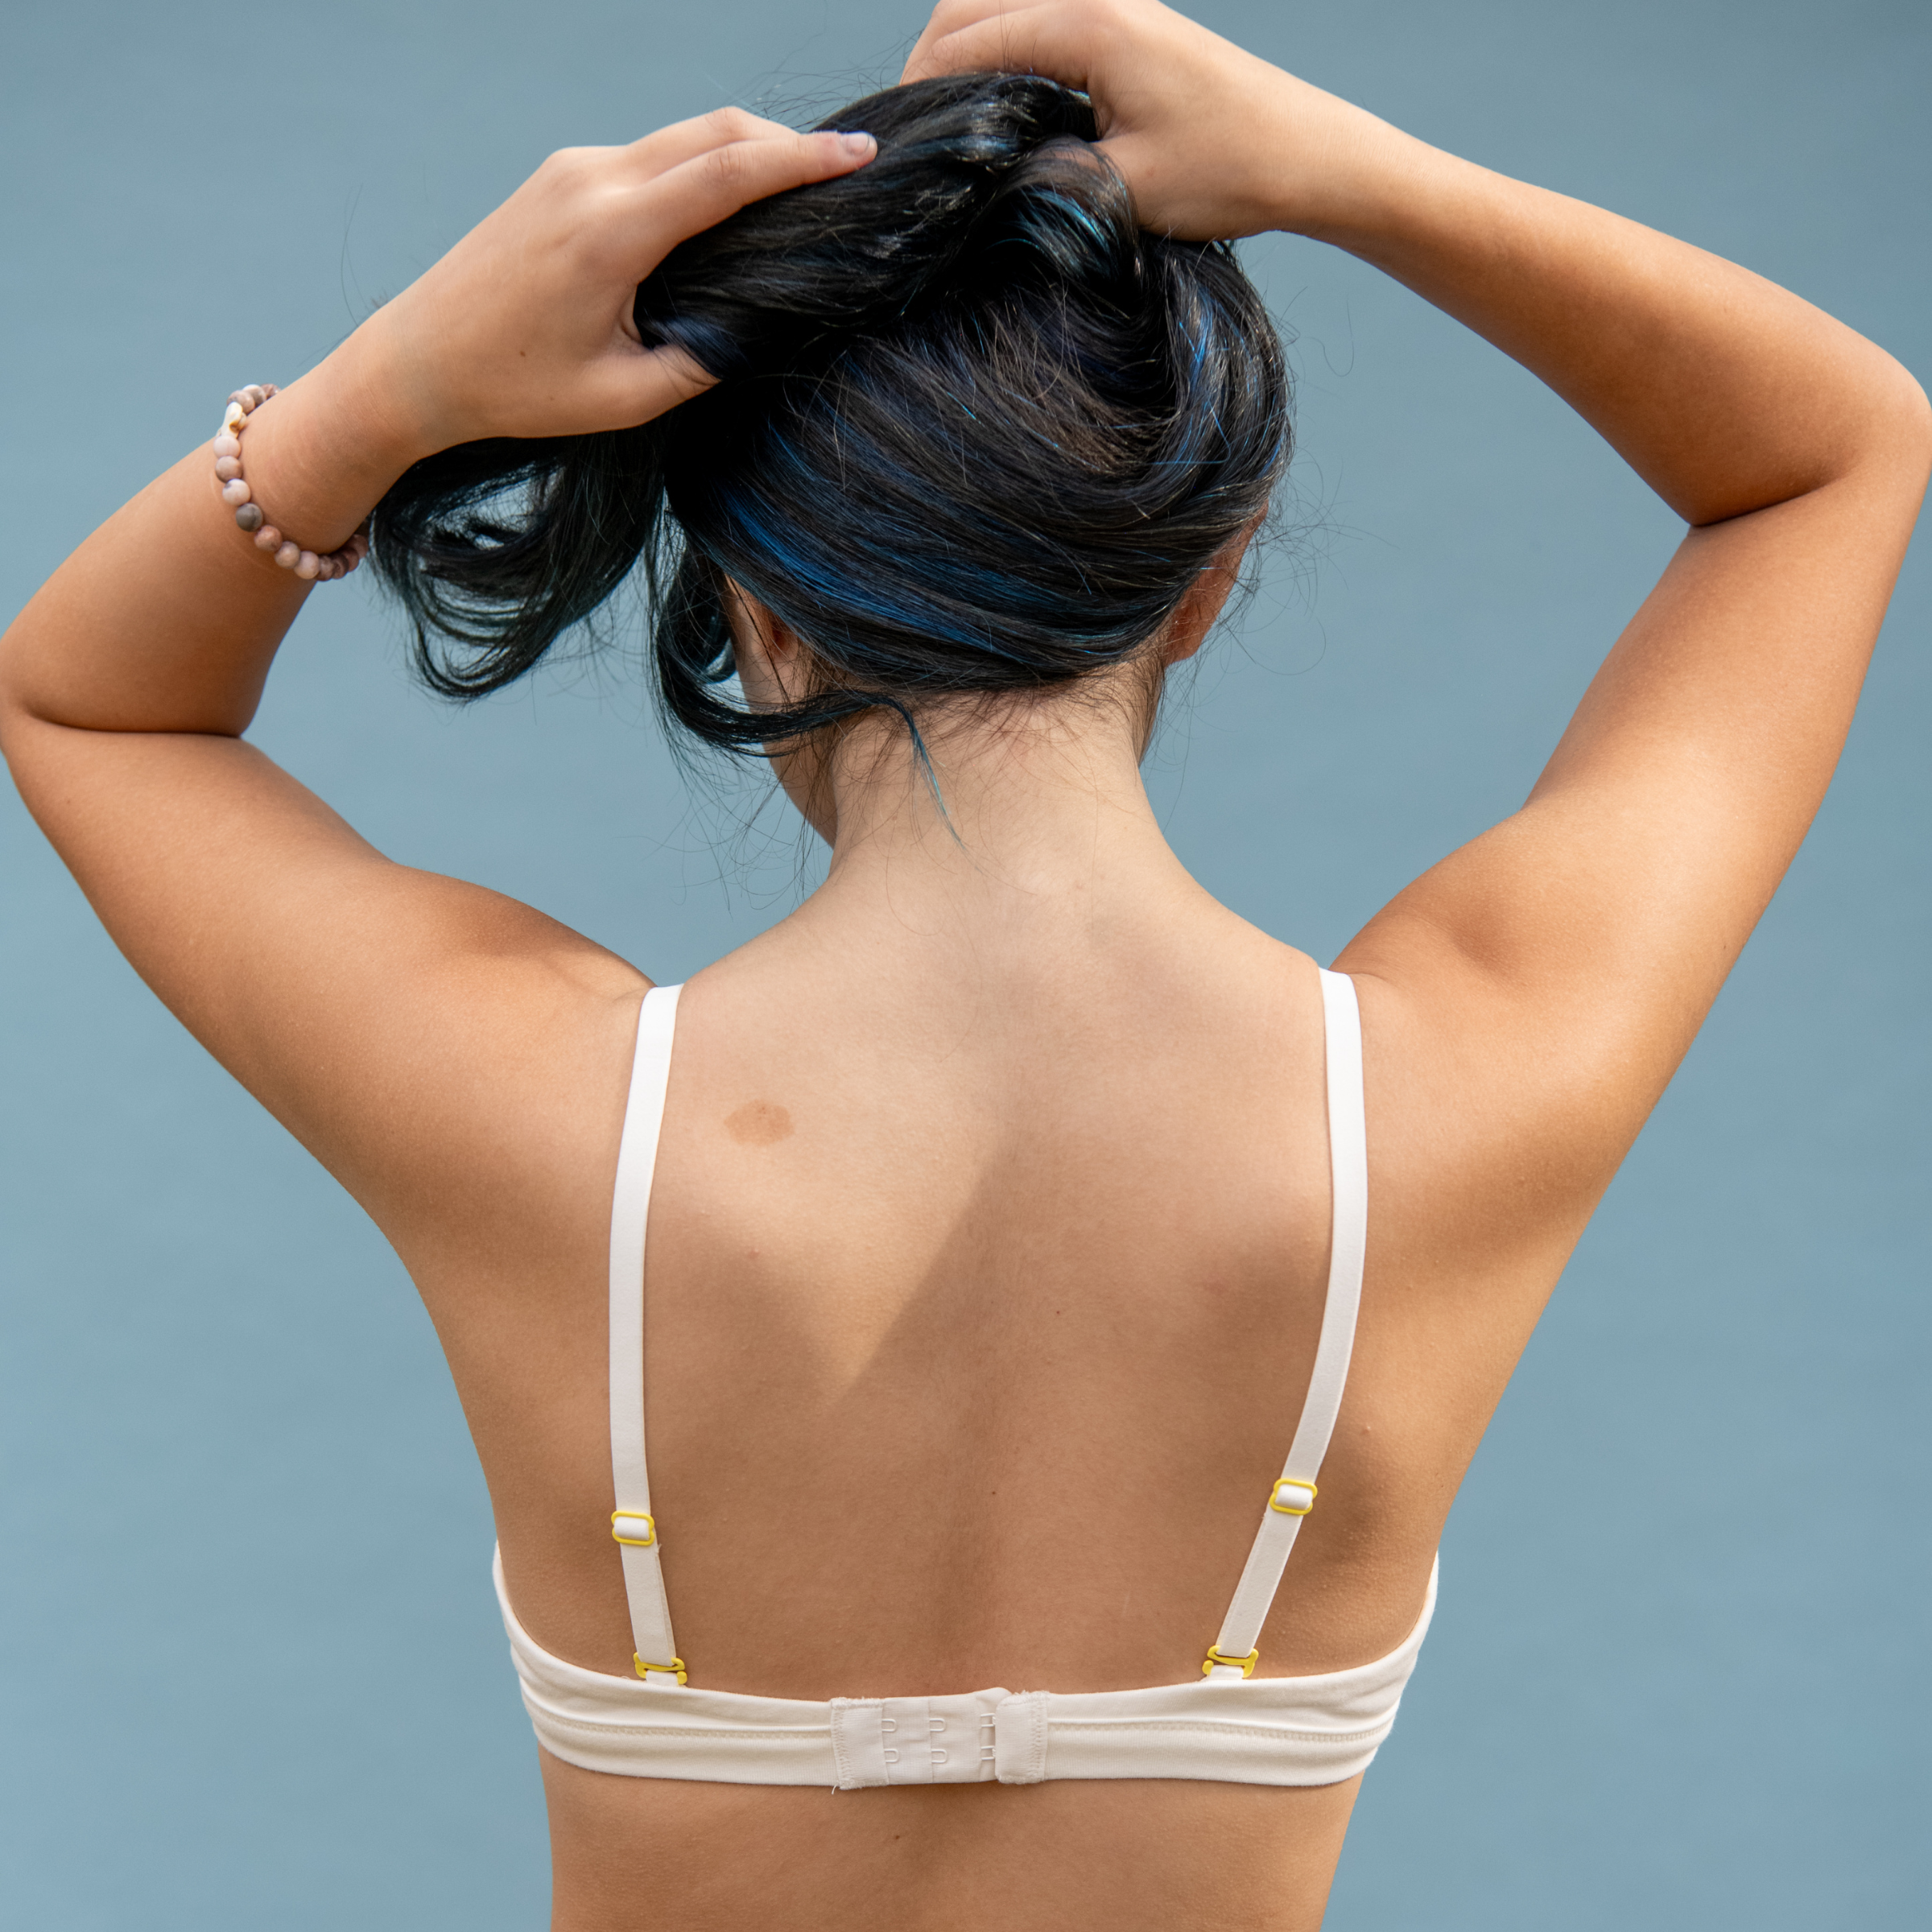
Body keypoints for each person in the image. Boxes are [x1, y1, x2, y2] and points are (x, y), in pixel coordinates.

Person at [2, 1, 1924, 1926]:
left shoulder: (534, 1113)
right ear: (1209, 577)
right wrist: (1347, 171)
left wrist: (396, 386)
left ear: (747, 599)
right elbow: (1837, 452)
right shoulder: (1466, 1089)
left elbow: (94, 707)